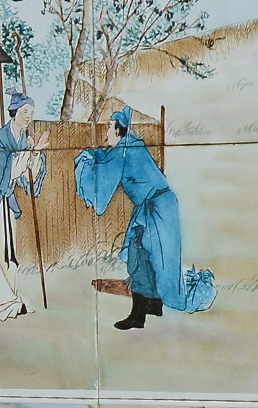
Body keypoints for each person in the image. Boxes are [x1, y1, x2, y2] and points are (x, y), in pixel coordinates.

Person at [76, 105, 214, 330]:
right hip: (161, 206)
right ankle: (154, 304)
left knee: (138, 255)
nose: (106, 134)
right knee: (154, 257)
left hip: (156, 210)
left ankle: (137, 316)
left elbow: (101, 187)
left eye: (110, 129)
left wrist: (84, 161)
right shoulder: (131, 145)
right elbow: (107, 157)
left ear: (119, 131)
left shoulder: (123, 152)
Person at [0, 92, 44, 321]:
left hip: (6, 197)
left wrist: (34, 156)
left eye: (31, 113)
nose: (28, 117)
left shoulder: (22, 138)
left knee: (8, 250)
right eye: (25, 112)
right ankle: (0, 300)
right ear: (14, 112)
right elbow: (7, 168)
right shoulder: (2, 137)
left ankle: (5, 296)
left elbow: (24, 173)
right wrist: (26, 155)